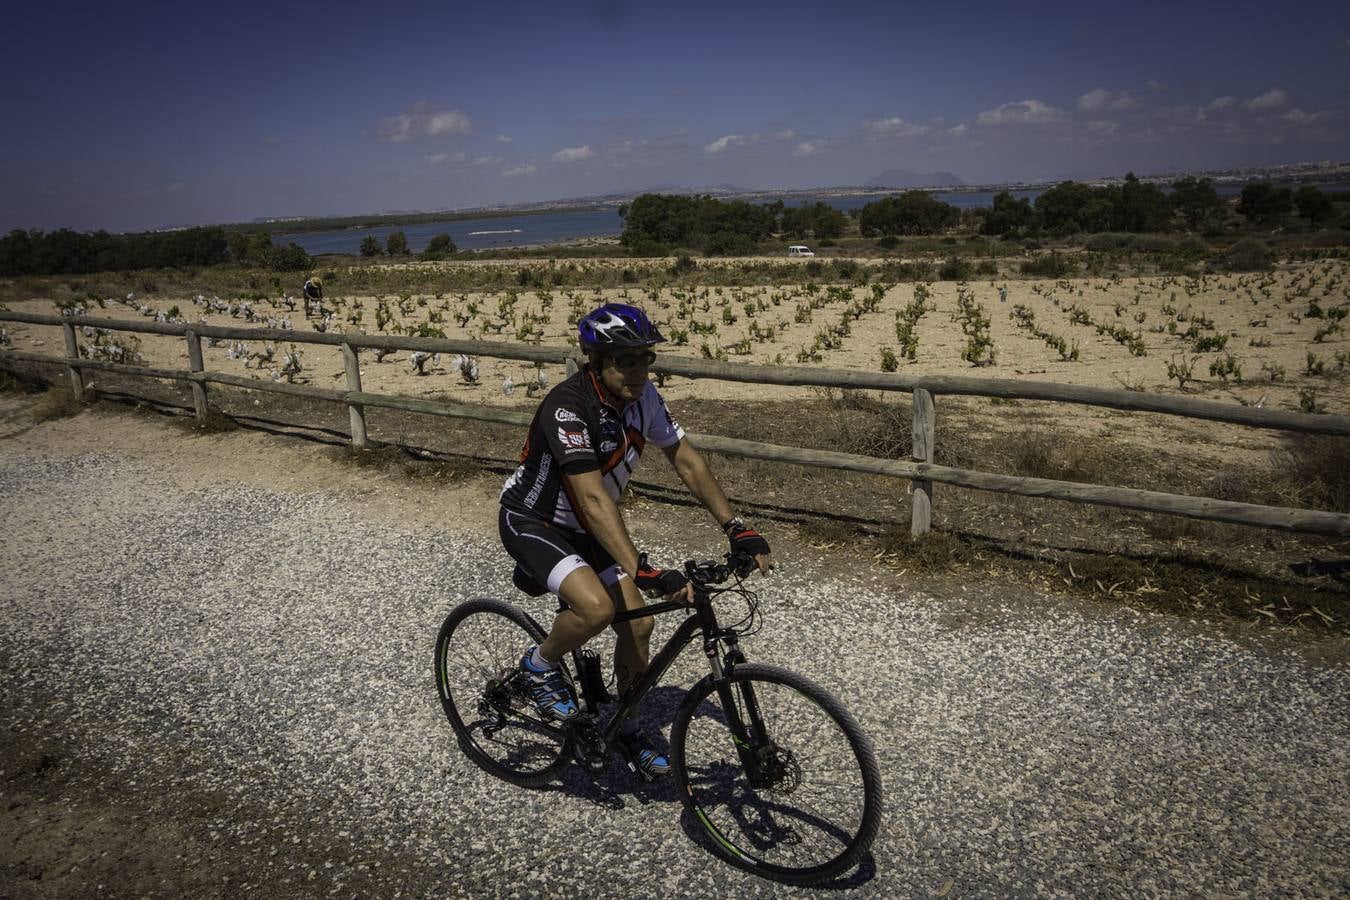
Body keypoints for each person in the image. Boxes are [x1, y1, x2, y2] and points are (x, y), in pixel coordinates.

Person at [498, 302, 772, 777]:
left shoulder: (643, 399)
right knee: (598, 610)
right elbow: (593, 500)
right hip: (535, 520)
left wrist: (735, 526)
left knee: (638, 625)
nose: (640, 371)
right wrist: (643, 569)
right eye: (626, 360)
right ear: (596, 360)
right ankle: (537, 667)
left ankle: (625, 721)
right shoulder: (568, 407)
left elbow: (685, 460)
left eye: (646, 358)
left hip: (587, 528)